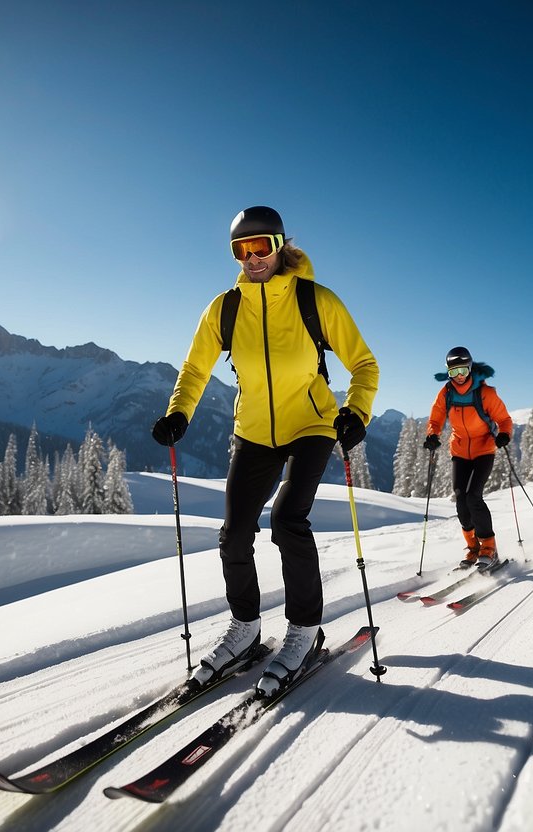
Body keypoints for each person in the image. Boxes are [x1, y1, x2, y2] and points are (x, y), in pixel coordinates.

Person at [151, 206, 378, 698]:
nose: (252, 257)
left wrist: (356, 413)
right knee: (234, 533)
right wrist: (179, 413)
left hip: (312, 425)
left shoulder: (316, 300)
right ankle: (247, 628)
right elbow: (194, 370)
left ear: (279, 245)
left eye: (261, 247)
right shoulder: (225, 308)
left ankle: (304, 631)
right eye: (241, 249)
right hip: (253, 431)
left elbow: (363, 363)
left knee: (288, 520)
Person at [423, 346, 513, 570]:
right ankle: (473, 548)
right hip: (460, 451)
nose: (459, 376)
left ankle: (489, 547)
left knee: (474, 497)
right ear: (448, 372)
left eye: (463, 370)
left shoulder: (485, 393)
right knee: (461, 500)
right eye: (454, 372)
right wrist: (432, 435)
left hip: (484, 449)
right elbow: (436, 418)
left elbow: (504, 419)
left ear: (470, 368)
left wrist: (504, 434)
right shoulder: (446, 393)